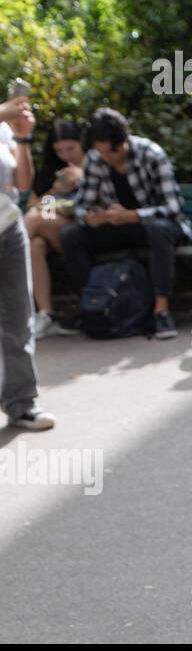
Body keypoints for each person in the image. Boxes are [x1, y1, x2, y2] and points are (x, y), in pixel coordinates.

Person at [59, 108, 192, 340]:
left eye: (113, 152)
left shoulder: (151, 154)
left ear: (124, 140)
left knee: (158, 230)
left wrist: (134, 215)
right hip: (116, 225)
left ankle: (161, 311)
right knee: (70, 235)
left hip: (153, 225)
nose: (108, 158)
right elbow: (81, 206)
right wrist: (90, 217)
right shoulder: (94, 160)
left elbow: (174, 208)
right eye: (102, 153)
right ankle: (94, 304)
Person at [0, 84, 55, 430]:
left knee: (20, 319)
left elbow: (22, 183)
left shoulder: (4, 126)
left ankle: (22, 404)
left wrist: (22, 138)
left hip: (8, 229)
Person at [24, 119, 87, 339]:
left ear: (81, 143)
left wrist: (82, 178)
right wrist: (55, 189)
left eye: (70, 148)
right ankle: (46, 314)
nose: (65, 155)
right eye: (59, 150)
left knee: (33, 220)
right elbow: (36, 204)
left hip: (81, 228)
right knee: (35, 245)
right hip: (52, 225)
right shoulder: (52, 171)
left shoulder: (94, 163)